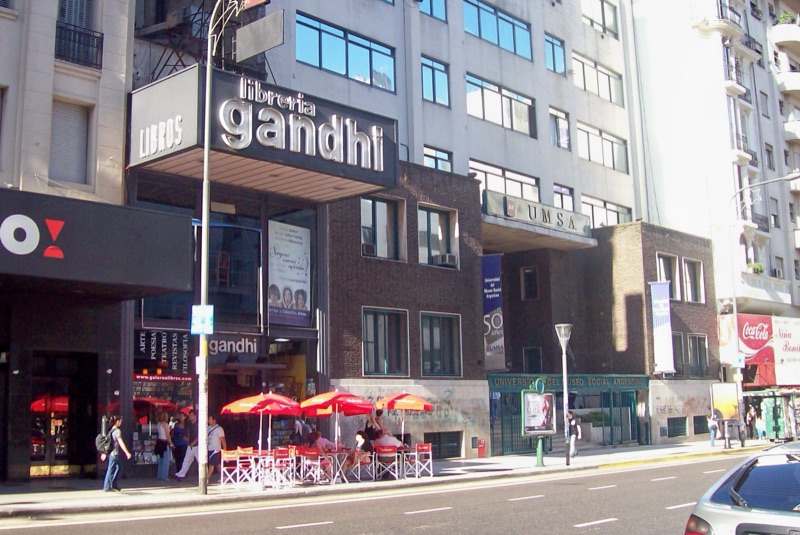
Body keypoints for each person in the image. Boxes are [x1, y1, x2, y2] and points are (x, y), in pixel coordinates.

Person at [102, 415, 132, 492]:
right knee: (111, 469)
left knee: (119, 467)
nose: (121, 422)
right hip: (114, 454)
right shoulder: (117, 431)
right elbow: (120, 442)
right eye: (120, 421)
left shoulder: (110, 430)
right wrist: (127, 452)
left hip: (112, 453)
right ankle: (107, 487)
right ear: (117, 422)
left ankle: (113, 484)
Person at [173, 409, 198, 481]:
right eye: (189, 415)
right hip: (190, 445)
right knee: (187, 460)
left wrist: (193, 442)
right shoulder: (189, 424)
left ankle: (205, 476)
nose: (190, 417)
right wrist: (188, 440)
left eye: (191, 415)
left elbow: (200, 434)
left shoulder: (198, 424)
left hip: (197, 445)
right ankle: (180, 474)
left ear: (195, 416)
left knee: (200, 461)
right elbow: (188, 433)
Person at [206, 414, 227, 485]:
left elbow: (223, 440)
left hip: (216, 449)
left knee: (211, 464)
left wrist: (224, 450)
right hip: (209, 448)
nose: (208, 421)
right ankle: (224, 476)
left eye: (210, 419)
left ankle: (206, 478)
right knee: (217, 464)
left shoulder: (219, 429)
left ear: (214, 420)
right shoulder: (208, 428)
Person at [155, 411, 175, 481]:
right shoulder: (165, 424)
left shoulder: (159, 424)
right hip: (164, 442)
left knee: (160, 460)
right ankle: (164, 476)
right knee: (165, 460)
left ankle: (160, 475)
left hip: (159, 442)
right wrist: (171, 443)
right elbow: (167, 435)